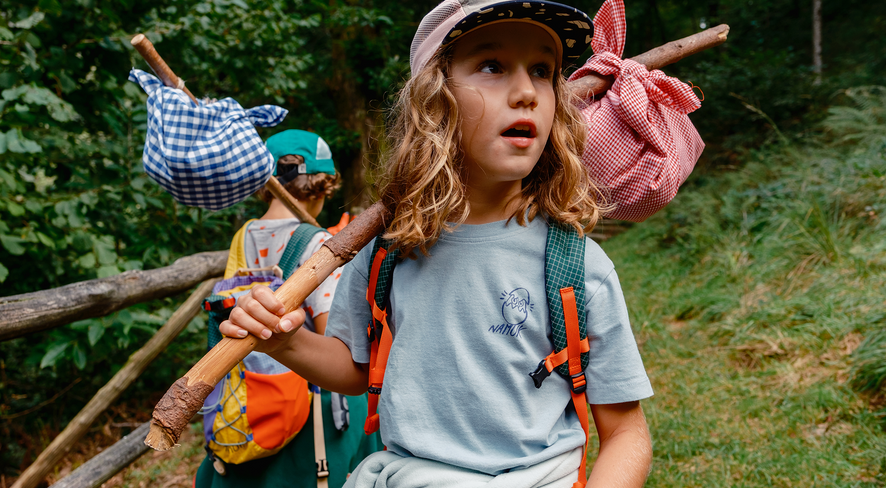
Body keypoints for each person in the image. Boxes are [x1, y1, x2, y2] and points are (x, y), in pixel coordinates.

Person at [220, 0, 706, 485]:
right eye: (491, 66)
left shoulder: (576, 267)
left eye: (542, 70)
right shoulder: (388, 251)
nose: (525, 93)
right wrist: (286, 341)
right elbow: (354, 369)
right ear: (435, 100)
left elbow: (625, 433)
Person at [195, 129, 382, 488]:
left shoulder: (243, 234)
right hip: (310, 408)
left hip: (255, 393)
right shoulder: (318, 242)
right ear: (321, 184)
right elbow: (337, 339)